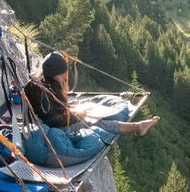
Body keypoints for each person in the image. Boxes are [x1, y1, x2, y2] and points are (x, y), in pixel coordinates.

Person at [24, 51, 160, 136]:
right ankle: (138, 127)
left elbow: (56, 110)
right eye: (62, 75)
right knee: (96, 122)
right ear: (57, 74)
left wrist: (73, 112)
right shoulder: (45, 92)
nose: (65, 77)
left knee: (85, 108)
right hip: (56, 128)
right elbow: (53, 121)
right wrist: (77, 117)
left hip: (55, 119)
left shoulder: (43, 82)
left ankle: (134, 125)